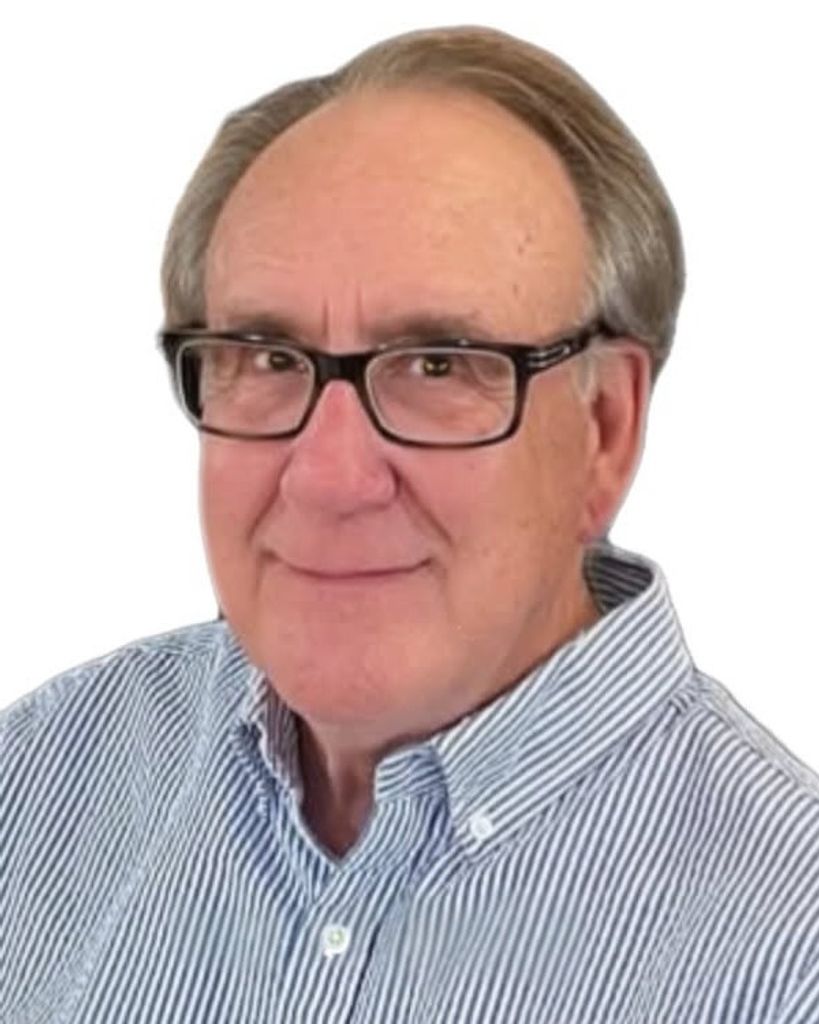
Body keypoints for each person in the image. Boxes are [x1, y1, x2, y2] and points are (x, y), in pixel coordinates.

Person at [2, 23, 818, 1023]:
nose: (329, 477)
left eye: (437, 365)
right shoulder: (39, 781)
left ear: (604, 431)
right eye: (268, 359)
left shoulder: (790, 957)